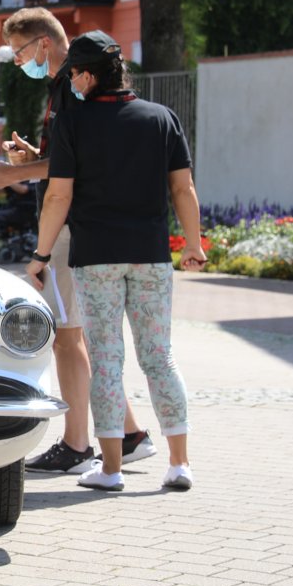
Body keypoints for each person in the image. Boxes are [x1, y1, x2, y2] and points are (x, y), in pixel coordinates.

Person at [27, 30, 205, 492]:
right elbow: (183, 188)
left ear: (87, 76)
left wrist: (41, 254)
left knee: (106, 361)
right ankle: (180, 464)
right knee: (159, 357)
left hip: (96, 258)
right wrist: (192, 244)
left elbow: (58, 196)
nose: (72, 84)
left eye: (74, 76)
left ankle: (110, 470)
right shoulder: (162, 118)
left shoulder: (73, 123)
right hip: (151, 256)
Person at [0, 8, 147, 474]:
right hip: (81, 224)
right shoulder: (68, 85)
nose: (18, 63)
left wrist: (13, 174)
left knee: (67, 337)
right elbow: (65, 158)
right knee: (77, 338)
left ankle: (78, 446)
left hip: (71, 225)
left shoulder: (71, 86)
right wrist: (33, 159)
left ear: (43, 44)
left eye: (19, 53)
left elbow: (71, 167)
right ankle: (130, 435)